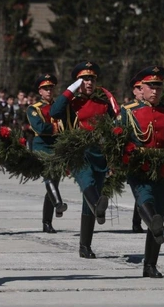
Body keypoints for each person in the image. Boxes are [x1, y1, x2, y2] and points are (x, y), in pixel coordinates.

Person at [120, 66, 164, 277]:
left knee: (159, 213)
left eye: (158, 86)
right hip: (138, 167)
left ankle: (150, 265)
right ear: (142, 87)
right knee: (145, 201)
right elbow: (117, 138)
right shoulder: (129, 111)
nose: (155, 91)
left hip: (163, 169)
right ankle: (154, 228)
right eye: (151, 87)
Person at [50, 61, 115, 258]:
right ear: (79, 81)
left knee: (91, 198)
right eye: (85, 79)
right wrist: (70, 90)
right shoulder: (72, 103)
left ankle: (85, 246)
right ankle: (98, 206)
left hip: (99, 155)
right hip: (79, 153)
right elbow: (54, 112)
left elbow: (114, 126)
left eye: (92, 79)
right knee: (87, 181)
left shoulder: (102, 104)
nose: (89, 82)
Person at [27, 74, 68, 234]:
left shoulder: (59, 106)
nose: (49, 91)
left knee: (54, 183)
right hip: (42, 147)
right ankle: (59, 204)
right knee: (48, 178)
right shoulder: (34, 108)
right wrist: (55, 129)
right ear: (40, 91)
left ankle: (47, 222)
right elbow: (39, 127)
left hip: (56, 146)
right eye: (45, 88)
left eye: (51, 88)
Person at [122, 75, 145, 233]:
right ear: (134, 91)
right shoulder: (127, 109)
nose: (142, 91)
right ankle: (138, 221)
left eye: (144, 87)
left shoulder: (156, 107)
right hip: (134, 153)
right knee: (139, 189)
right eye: (139, 88)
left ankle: (139, 220)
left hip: (152, 153)